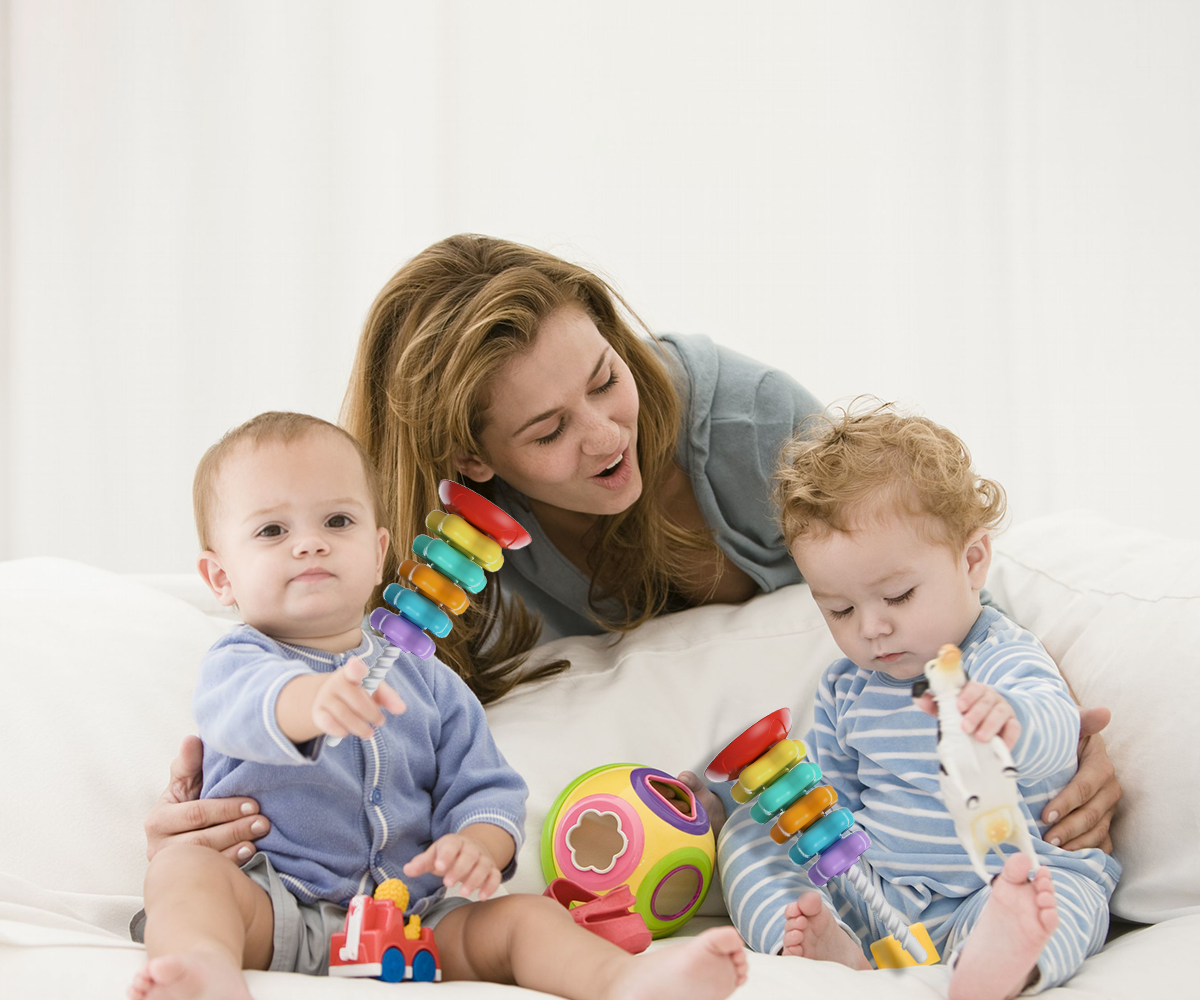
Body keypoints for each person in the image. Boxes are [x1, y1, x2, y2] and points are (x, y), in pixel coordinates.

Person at [142, 234, 1120, 877]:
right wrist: (229, 777)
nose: (607, 434)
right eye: (550, 429)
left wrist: (1065, 740)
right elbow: (359, 690)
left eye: (606, 379)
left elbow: (940, 577)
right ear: (474, 459)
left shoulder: (750, 429)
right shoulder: (437, 549)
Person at [127, 412, 747, 1000]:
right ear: (220, 577)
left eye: (336, 521)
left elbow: (486, 789)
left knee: (527, 919)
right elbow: (243, 709)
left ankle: (622, 988)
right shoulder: (240, 662)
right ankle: (205, 977)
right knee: (183, 874)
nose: (308, 543)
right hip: (274, 905)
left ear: (377, 554)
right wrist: (311, 701)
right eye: (272, 529)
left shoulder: (432, 685)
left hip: (414, 920)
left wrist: (480, 846)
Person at [712, 404, 1120, 1000]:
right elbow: (830, 805)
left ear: (972, 561)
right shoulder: (846, 690)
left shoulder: (1000, 657)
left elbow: (1060, 737)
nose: (872, 629)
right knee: (751, 837)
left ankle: (999, 961)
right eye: (840, 611)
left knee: (1061, 890)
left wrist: (1007, 719)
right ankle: (825, 948)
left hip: (996, 885)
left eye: (898, 595)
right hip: (883, 897)